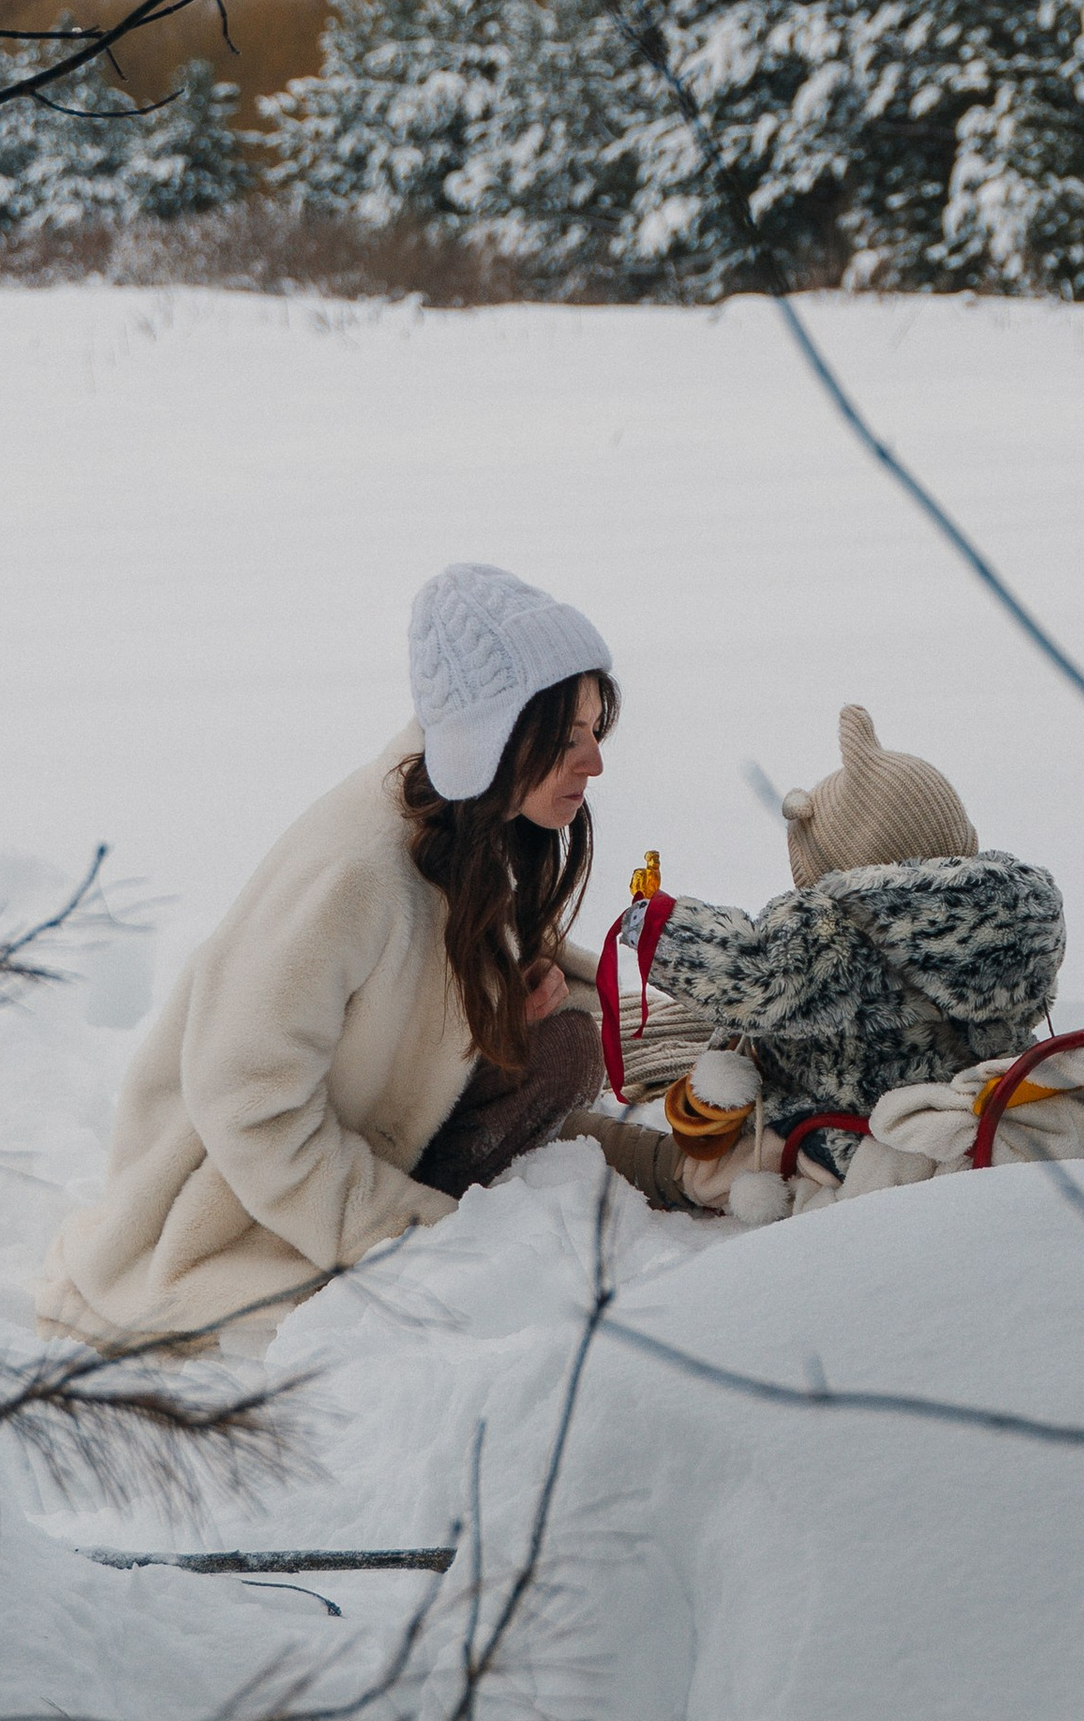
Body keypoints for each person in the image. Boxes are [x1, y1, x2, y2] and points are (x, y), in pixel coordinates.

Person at [36, 564, 657, 1352]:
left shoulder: (470, 822)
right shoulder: (354, 875)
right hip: (234, 1195)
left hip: (362, 1131)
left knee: (563, 1045)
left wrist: (511, 990)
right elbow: (245, 1100)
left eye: (595, 732)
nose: (594, 764)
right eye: (567, 740)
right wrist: (403, 1234)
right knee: (560, 1053)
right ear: (498, 736)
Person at [618, 705, 1065, 1203]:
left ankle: (597, 1148)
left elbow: (754, 976)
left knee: (686, 1168)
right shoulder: (1018, 910)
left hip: (857, 1129)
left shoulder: (846, 927)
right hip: (977, 1099)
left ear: (841, 869)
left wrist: (657, 927)